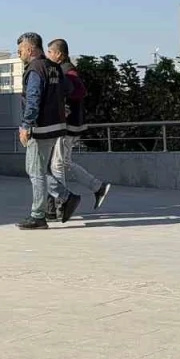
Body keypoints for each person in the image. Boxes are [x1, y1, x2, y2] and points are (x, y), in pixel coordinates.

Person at [15, 32, 76, 230]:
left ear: (30, 49)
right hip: (56, 126)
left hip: (39, 127)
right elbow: (68, 89)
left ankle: (39, 215)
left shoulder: (35, 69)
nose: (19, 53)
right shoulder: (54, 67)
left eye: (21, 50)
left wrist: (26, 125)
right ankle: (65, 197)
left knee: (36, 172)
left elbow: (33, 98)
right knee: (37, 169)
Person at [46, 39, 110, 214]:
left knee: (58, 165)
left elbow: (79, 91)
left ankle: (62, 203)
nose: (48, 55)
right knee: (64, 163)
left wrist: (64, 105)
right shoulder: (66, 70)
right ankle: (97, 187)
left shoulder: (67, 71)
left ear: (59, 54)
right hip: (72, 124)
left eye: (50, 52)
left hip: (67, 125)